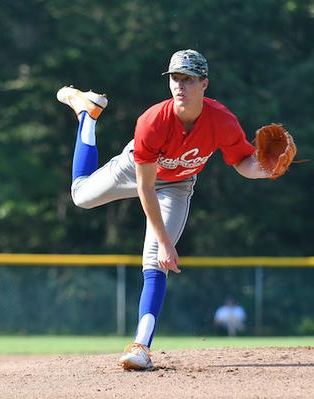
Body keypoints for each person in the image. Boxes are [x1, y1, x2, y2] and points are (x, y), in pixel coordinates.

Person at [57, 49, 268, 370]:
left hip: (176, 185)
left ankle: (140, 346)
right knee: (80, 196)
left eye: (188, 79)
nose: (179, 85)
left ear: (204, 83)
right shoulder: (152, 121)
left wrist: (267, 168)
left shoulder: (222, 120)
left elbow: (243, 162)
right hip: (135, 170)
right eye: (174, 79)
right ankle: (87, 115)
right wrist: (167, 242)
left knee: (155, 264)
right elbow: (144, 187)